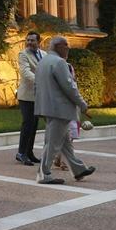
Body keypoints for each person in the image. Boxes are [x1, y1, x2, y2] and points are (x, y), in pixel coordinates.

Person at [34, 35, 95, 185]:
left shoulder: (43, 61)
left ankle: (78, 169)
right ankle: (44, 174)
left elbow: (37, 87)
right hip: (60, 110)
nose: (68, 49)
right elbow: (70, 87)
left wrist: (41, 108)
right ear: (59, 46)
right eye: (66, 46)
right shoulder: (59, 62)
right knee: (53, 143)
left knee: (64, 142)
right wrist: (83, 105)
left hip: (49, 108)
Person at [15, 31, 43, 166]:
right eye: (28, 40)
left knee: (34, 125)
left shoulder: (45, 55)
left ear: (39, 42)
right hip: (26, 96)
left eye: (32, 40)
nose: (30, 43)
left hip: (39, 96)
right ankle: (21, 153)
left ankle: (29, 152)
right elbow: (26, 73)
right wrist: (42, 81)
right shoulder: (23, 54)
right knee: (28, 124)